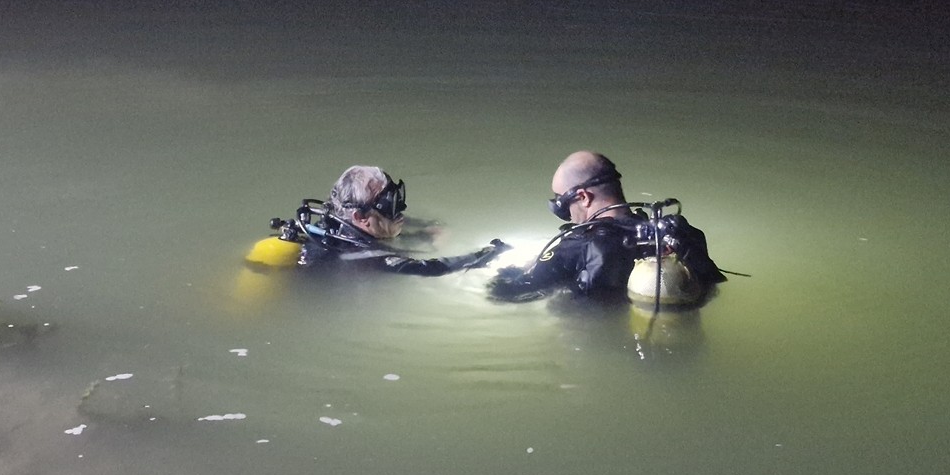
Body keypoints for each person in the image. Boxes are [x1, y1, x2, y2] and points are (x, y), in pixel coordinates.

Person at [486, 151, 724, 304]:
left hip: (598, 359)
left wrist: (497, 264)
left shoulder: (577, 246)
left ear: (583, 197)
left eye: (561, 202)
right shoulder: (668, 234)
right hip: (685, 351)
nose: (564, 212)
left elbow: (508, 293)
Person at [291, 165, 508, 276]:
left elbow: (388, 223)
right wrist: (488, 253)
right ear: (360, 218)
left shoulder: (342, 218)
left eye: (396, 198)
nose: (400, 210)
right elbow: (431, 268)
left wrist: (425, 229)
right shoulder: (360, 255)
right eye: (389, 205)